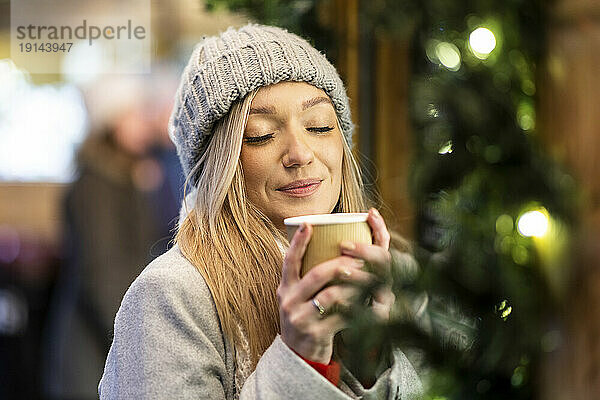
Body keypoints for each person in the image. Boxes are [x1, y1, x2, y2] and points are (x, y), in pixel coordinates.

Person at [99, 23, 423, 399]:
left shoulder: (399, 276)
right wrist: (300, 361)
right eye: (261, 135)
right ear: (219, 166)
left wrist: (373, 356)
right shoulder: (173, 296)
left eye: (319, 126)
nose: (300, 154)